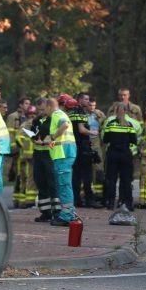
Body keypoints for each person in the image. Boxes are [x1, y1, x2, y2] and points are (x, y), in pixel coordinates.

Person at [40, 95, 77, 226]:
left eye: (45, 109)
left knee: (64, 186)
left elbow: (65, 125)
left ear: (50, 106)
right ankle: (68, 213)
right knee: (64, 185)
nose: (44, 112)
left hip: (63, 154)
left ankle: (67, 216)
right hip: (64, 153)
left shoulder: (57, 114)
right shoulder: (59, 114)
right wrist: (49, 141)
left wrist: (52, 137)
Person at [102, 103, 140, 210]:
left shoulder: (110, 124)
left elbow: (105, 140)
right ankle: (128, 203)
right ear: (126, 112)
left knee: (112, 179)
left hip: (113, 154)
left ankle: (110, 203)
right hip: (125, 154)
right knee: (126, 180)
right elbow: (134, 140)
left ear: (115, 112)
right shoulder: (129, 125)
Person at [31, 98, 59, 221]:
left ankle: (57, 211)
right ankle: (45, 212)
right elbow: (33, 133)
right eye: (39, 110)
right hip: (38, 154)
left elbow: (55, 136)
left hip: (49, 154)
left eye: (43, 109)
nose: (41, 112)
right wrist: (34, 138)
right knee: (40, 182)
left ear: (48, 107)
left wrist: (44, 142)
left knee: (52, 183)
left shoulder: (53, 119)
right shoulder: (36, 120)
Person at [67, 94, 98, 207]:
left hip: (74, 145)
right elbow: (81, 129)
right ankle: (89, 200)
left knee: (76, 174)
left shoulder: (72, 112)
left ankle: (76, 200)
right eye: (86, 99)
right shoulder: (80, 111)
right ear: (79, 100)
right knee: (87, 174)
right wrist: (92, 132)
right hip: (83, 146)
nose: (88, 101)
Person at [9, 100, 37, 208]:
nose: (32, 116)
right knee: (27, 178)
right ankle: (25, 201)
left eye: (34, 114)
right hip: (28, 156)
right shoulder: (27, 124)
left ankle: (22, 201)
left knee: (24, 178)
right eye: (31, 114)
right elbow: (18, 138)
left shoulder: (26, 124)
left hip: (26, 156)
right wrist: (25, 148)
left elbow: (19, 138)